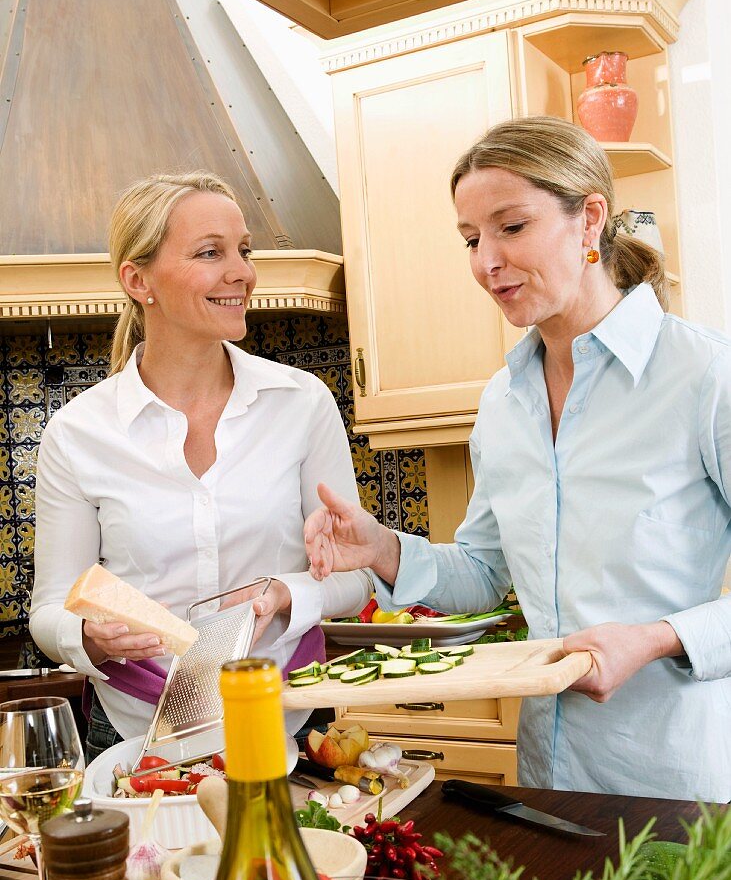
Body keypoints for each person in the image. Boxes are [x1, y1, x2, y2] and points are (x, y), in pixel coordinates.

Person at [304, 116, 731, 803]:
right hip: (548, 775)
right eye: (471, 239)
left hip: (674, 778)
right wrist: (380, 547)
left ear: (589, 218)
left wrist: (653, 639)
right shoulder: (504, 401)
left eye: (511, 227)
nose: (485, 261)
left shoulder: (703, 376)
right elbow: (484, 573)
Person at [30, 171, 371, 762]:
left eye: (244, 250)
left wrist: (281, 592)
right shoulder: (77, 435)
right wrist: (86, 636)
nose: (241, 271)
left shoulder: (301, 403)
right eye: (210, 253)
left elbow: (354, 577)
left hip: (291, 716)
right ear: (139, 281)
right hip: (137, 732)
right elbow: (51, 607)